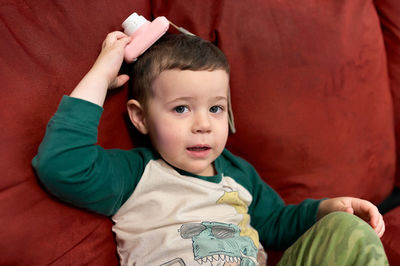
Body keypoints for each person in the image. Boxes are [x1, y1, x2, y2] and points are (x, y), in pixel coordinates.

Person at [32, 31, 388, 266]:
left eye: (215, 108)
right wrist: (102, 70)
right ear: (140, 118)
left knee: (347, 229)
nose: (203, 124)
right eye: (181, 108)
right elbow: (62, 163)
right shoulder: (136, 174)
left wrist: (327, 209)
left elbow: (276, 223)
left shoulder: (239, 173)